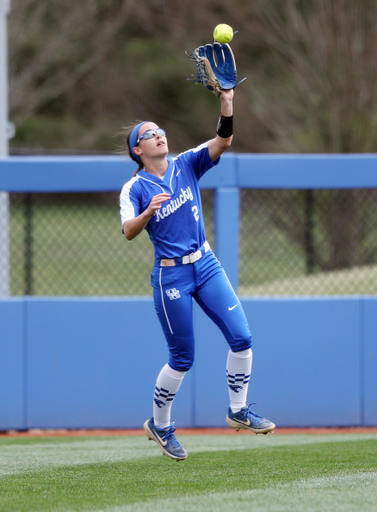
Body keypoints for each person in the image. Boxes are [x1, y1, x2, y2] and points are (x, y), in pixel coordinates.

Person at [119, 88, 275, 461]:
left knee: (242, 337)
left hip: (205, 265)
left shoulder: (186, 164)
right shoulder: (135, 188)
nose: (159, 135)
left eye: (160, 130)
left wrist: (227, 102)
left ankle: (238, 411)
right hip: (170, 277)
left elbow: (224, 140)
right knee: (182, 357)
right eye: (149, 134)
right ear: (138, 150)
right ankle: (160, 424)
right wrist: (147, 214)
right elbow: (127, 230)